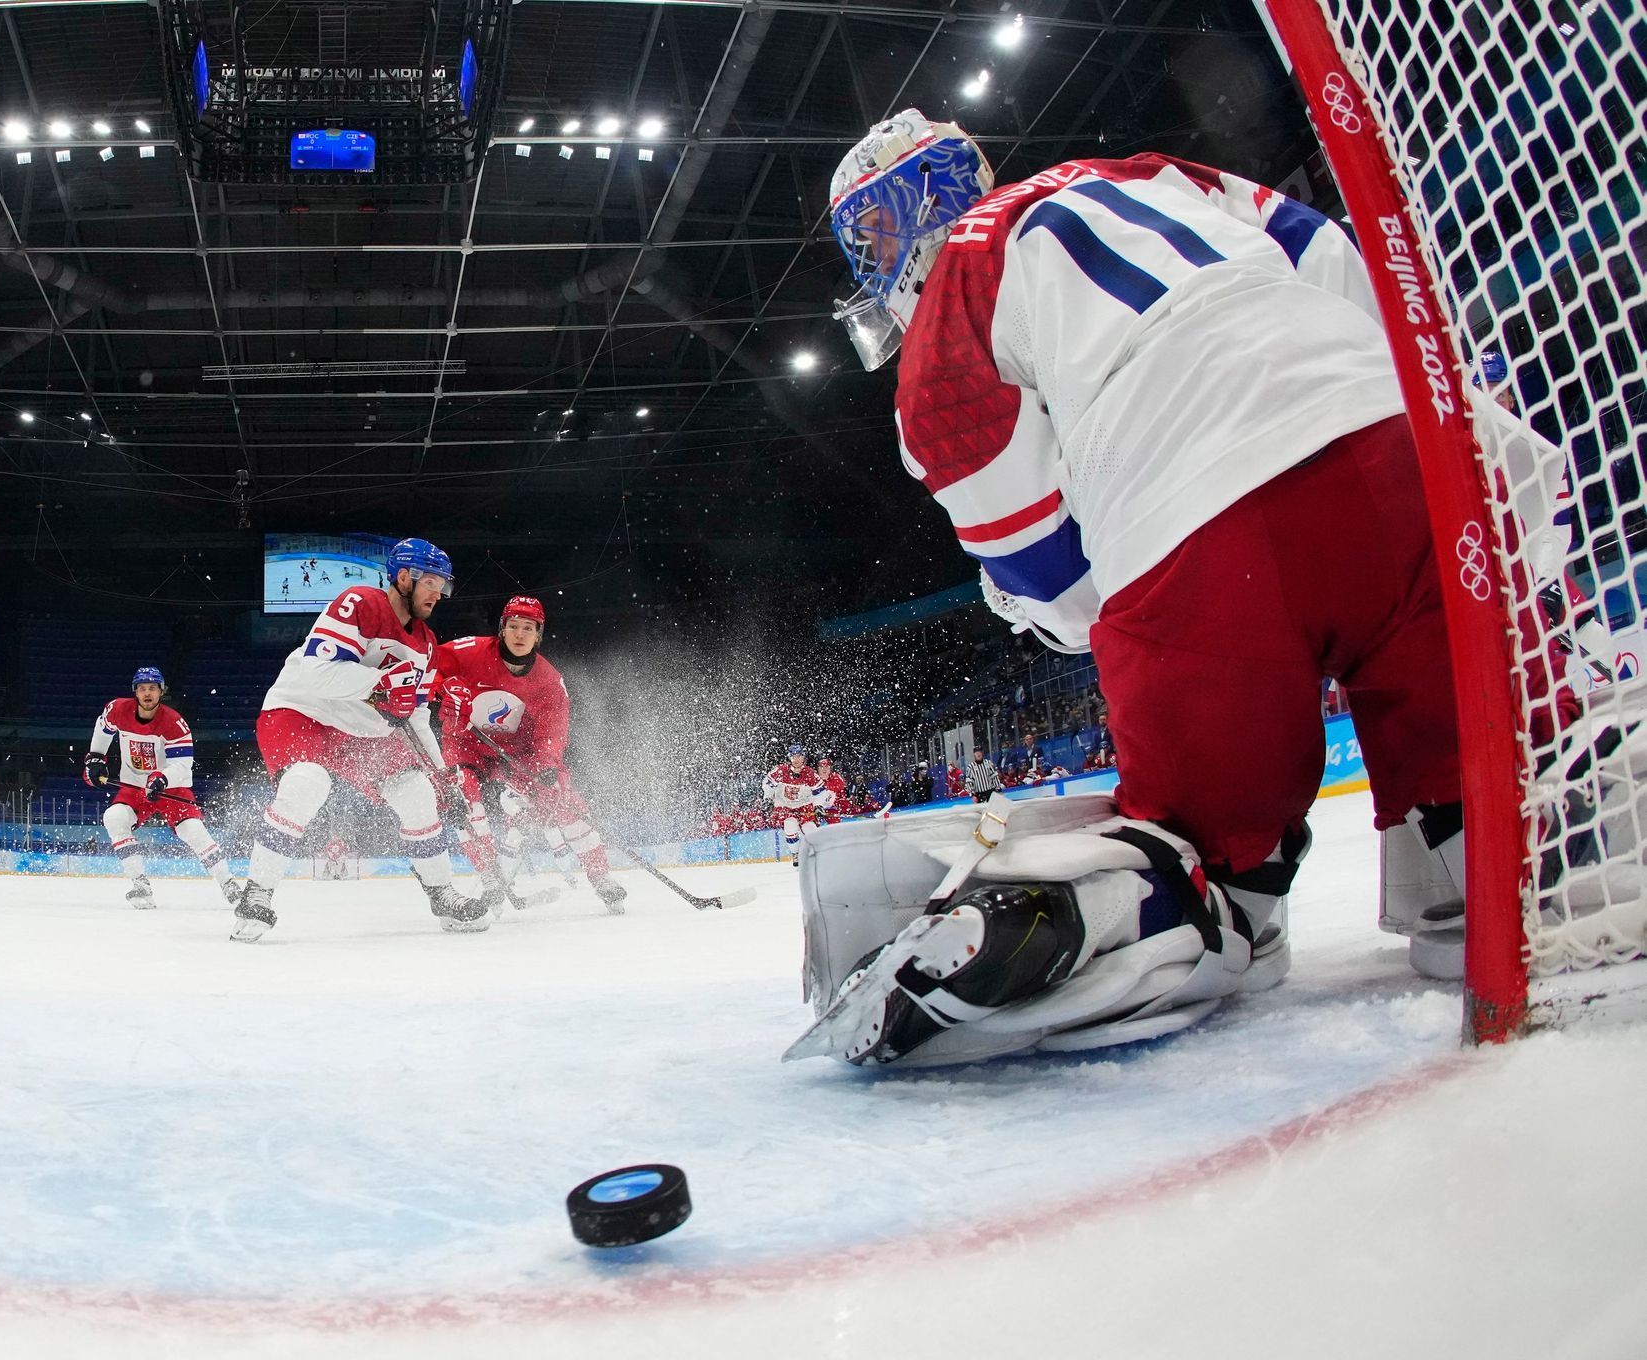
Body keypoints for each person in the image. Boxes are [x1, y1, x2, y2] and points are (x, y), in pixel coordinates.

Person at [795, 110, 1473, 1067]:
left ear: (898, 220)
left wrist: (1040, 602)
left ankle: (1159, 910)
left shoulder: (949, 315)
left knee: (1208, 850)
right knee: (1472, 763)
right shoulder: (1152, 168)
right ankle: (1488, 855)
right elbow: (1338, 260)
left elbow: (1060, 583)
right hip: (1400, 451)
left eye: (869, 238)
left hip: (1195, 532)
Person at [230, 537, 491, 942]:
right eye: (432, 583)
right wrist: (380, 684)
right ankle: (256, 894)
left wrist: (443, 777)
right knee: (306, 784)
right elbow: (316, 672)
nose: (439, 594)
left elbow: (416, 717)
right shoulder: (360, 603)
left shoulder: (426, 646)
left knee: (418, 793)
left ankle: (443, 894)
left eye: (444, 585)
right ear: (404, 576)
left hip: (362, 729)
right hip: (303, 711)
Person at [428, 595, 627, 912]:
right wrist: (443, 688)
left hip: (519, 753)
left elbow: (552, 731)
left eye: (529, 628)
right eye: (514, 626)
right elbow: (426, 668)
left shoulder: (549, 680)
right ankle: (492, 879)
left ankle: (601, 878)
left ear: (539, 635)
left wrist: (547, 767)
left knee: (561, 798)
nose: (520, 634)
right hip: (466, 743)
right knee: (463, 798)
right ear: (502, 629)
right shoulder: (467, 652)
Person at [82, 667, 235, 909]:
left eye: (152, 688)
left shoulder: (174, 723)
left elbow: (182, 764)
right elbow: (103, 728)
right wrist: (96, 758)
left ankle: (229, 884)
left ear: (161, 691)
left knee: (192, 830)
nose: (147, 693)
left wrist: (161, 778)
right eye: (142, 688)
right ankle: (139, 883)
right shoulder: (118, 709)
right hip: (133, 786)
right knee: (114, 817)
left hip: (171, 788)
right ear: (135, 692)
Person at [761, 744, 822, 866]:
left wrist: (818, 805)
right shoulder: (780, 770)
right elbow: (767, 784)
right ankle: (795, 853)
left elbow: (820, 793)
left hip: (805, 806)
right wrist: (767, 798)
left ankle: (817, 853)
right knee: (790, 826)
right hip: (785, 806)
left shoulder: (810, 773)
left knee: (810, 829)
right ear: (790, 757)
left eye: (799, 756)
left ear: (804, 757)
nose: (796, 759)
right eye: (794, 756)